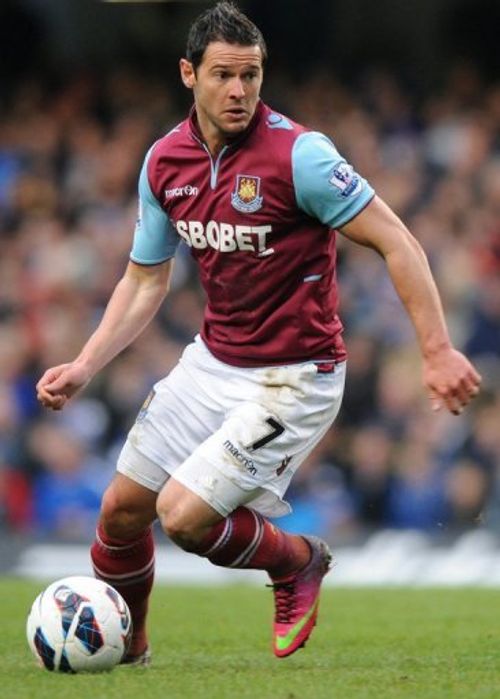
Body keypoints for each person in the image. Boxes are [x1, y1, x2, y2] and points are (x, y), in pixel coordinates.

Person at [36, 1, 481, 663]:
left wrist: (437, 348)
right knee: (120, 512)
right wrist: (85, 362)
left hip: (294, 377)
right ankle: (130, 651)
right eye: (223, 75)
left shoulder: (300, 156)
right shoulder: (164, 163)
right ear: (188, 74)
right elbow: (143, 279)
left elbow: (398, 241)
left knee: (184, 516)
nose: (239, 90)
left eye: (251, 75)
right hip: (213, 360)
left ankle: (296, 560)